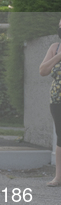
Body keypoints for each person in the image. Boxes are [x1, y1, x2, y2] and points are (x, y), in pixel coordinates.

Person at [38, 18, 61, 187]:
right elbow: (43, 71)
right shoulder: (55, 48)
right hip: (57, 98)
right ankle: (58, 177)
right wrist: (59, 56)